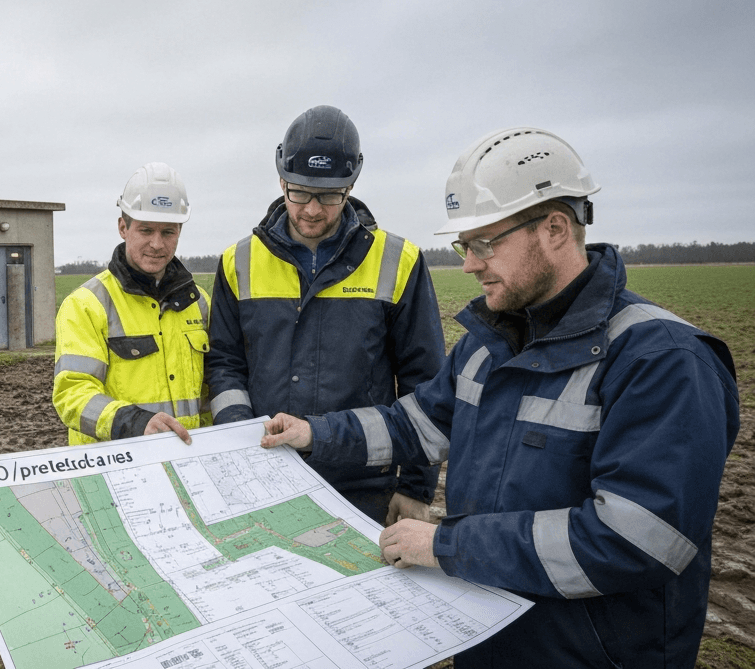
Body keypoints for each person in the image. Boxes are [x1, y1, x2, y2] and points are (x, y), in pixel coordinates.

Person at [261, 126, 740, 668]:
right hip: (487, 637)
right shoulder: (489, 347)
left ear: (556, 229)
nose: (468, 264)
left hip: (589, 655)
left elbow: (638, 539)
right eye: (463, 247)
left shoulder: (662, 361)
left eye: (483, 244)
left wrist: (447, 547)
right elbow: (413, 425)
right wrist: (314, 433)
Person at [207, 105, 445, 525]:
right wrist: (241, 436)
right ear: (281, 181)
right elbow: (225, 364)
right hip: (268, 475)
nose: (313, 210)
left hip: (366, 486)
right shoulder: (237, 262)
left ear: (351, 186)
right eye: (299, 192)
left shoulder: (398, 260)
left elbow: (424, 384)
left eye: (330, 195)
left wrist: (415, 487)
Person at [54, 162, 211, 446]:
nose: (156, 244)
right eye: (146, 230)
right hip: (115, 470)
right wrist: (134, 424)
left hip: (187, 464)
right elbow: (72, 394)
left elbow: (212, 389)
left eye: (168, 232)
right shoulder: (86, 305)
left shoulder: (199, 303)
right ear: (123, 227)